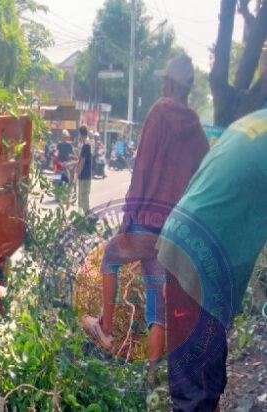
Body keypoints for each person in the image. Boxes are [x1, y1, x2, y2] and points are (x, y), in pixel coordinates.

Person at [81, 55, 209, 371]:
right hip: (172, 230)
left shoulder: (159, 113)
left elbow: (142, 168)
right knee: (155, 295)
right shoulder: (196, 128)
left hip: (147, 221)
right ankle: (152, 375)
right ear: (189, 87)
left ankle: (106, 330)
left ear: (167, 82)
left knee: (110, 257)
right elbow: (203, 173)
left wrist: (127, 217)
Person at [156, 108, 267, 411]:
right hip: (202, 255)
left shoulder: (255, 119)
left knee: (202, 377)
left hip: (182, 237)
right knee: (197, 390)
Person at [77, 126, 92, 213]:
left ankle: (87, 217)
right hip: (86, 175)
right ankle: (81, 217)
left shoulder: (86, 145)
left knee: (83, 198)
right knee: (82, 198)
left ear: (80, 134)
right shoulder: (87, 144)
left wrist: (77, 174)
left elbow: (82, 162)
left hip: (84, 176)